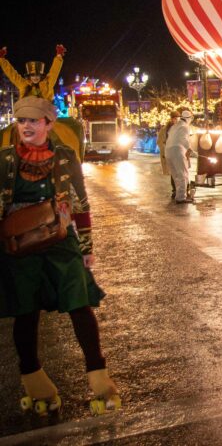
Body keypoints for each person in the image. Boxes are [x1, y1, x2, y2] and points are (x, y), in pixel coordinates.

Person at [0, 97, 119, 415]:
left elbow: (81, 202)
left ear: (48, 124)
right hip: (20, 248)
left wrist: (87, 249)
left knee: (80, 306)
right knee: (25, 314)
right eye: (21, 121)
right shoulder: (5, 160)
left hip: (60, 241)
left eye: (33, 121)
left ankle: (100, 381)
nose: (26, 126)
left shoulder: (65, 156)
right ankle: (36, 383)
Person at [0, 45, 65, 101]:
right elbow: (12, 74)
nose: (35, 78)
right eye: (33, 76)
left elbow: (54, 72)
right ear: (29, 76)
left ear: (41, 76)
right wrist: (2, 59)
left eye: (37, 75)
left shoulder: (47, 83)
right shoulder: (23, 84)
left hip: (44, 113)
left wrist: (59, 56)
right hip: (27, 114)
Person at [165, 109, 194, 204]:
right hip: (177, 151)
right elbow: (183, 139)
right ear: (188, 118)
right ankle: (181, 197)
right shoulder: (185, 127)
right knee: (182, 174)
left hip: (168, 151)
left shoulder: (174, 126)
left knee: (175, 175)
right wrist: (189, 149)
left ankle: (178, 195)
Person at [157, 111, 180, 200]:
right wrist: (164, 151)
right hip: (170, 152)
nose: (175, 120)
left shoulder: (180, 128)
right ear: (171, 119)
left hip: (178, 152)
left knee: (180, 172)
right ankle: (175, 190)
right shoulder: (165, 129)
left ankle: (181, 189)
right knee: (173, 172)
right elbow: (160, 141)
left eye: (177, 118)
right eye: (174, 118)